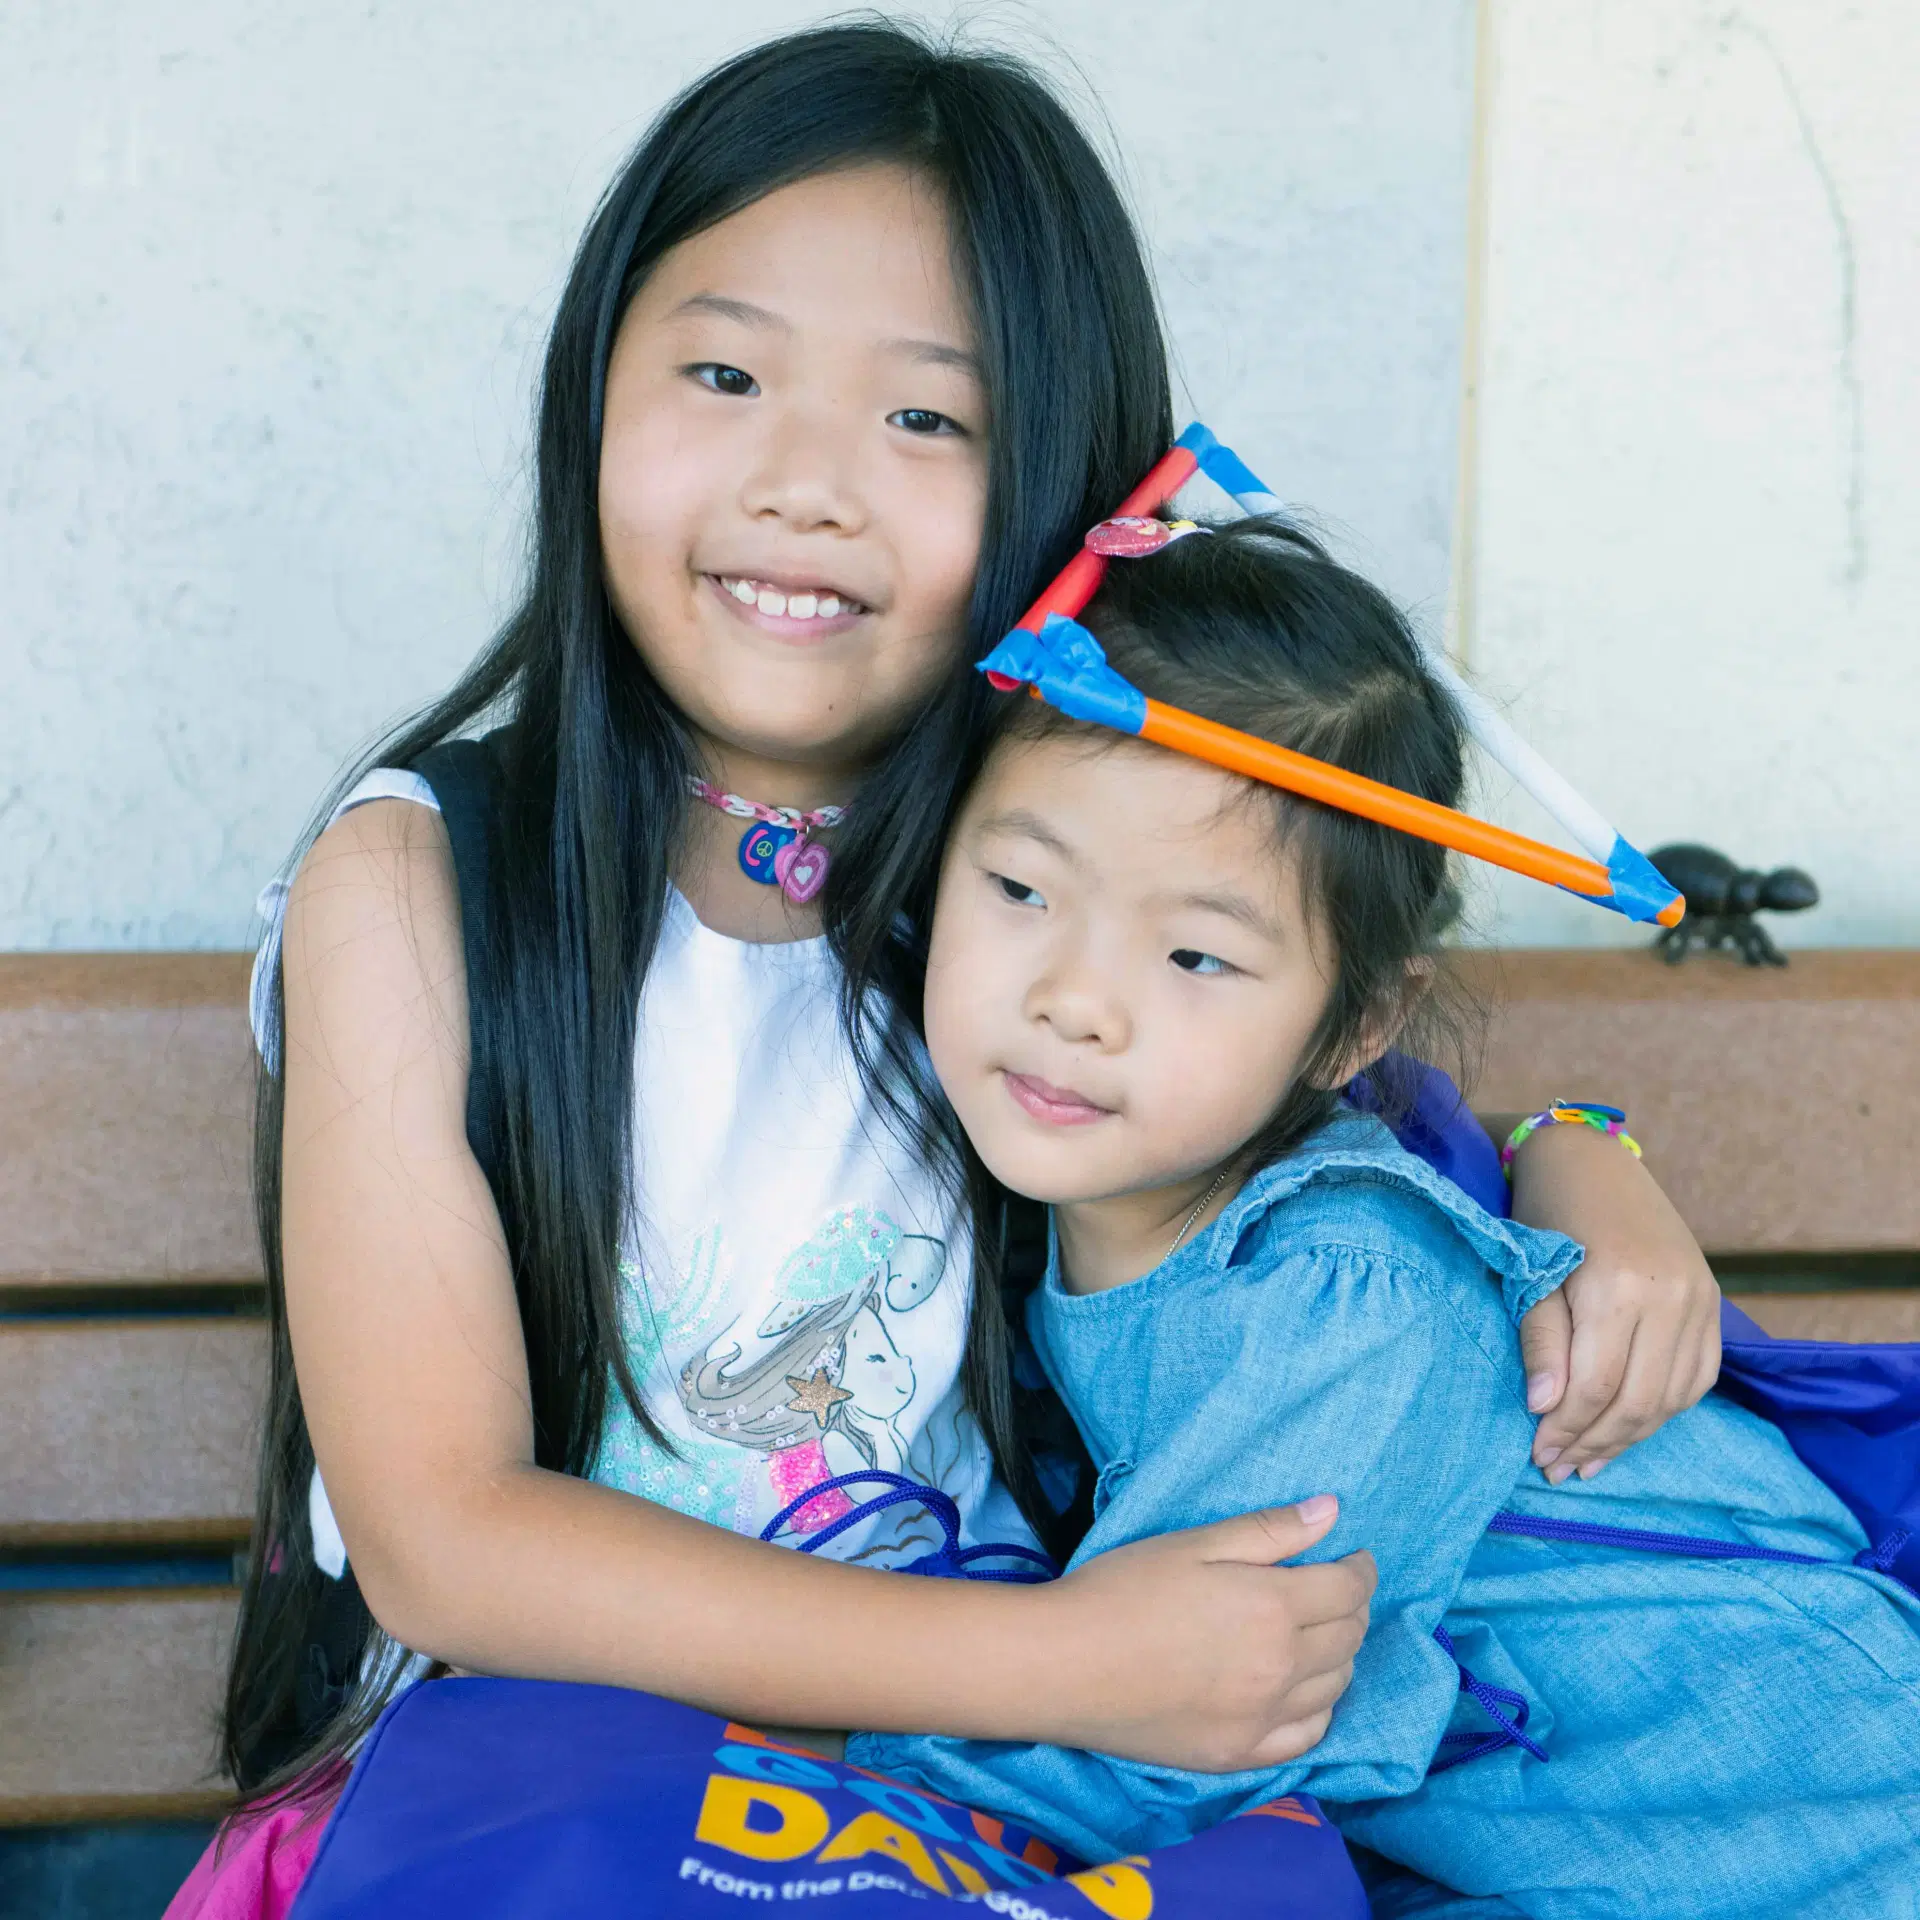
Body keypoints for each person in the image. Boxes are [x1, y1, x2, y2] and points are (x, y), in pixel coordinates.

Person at [171, 21, 1722, 1918]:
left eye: (929, 418)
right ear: (592, 396)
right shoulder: (421, 888)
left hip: (980, 1825)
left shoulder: (1049, 875)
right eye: (726, 372)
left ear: (1077, 496)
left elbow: (1348, 1093)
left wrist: (1582, 1164)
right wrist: (1074, 1664)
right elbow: (447, 1545)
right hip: (539, 1806)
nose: (808, 482)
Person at [852, 518, 1920, 1916]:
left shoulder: (1344, 1292)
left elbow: (1177, 1740)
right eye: (1020, 889)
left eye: (1194, 954)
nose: (1074, 998)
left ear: (1353, 1023)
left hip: (1786, 1826)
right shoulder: (1047, 1197)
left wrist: (767, 1752)